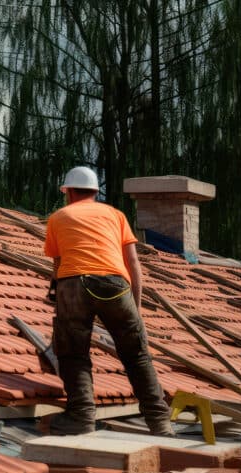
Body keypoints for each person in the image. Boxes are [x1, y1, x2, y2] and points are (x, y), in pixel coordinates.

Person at [42, 166, 173, 436]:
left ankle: (81, 417)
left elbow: (58, 264)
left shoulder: (59, 217)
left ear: (69, 193)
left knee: (74, 354)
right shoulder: (116, 215)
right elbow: (133, 263)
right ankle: (160, 422)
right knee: (137, 355)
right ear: (94, 192)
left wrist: (57, 298)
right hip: (115, 285)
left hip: (73, 284)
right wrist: (136, 309)